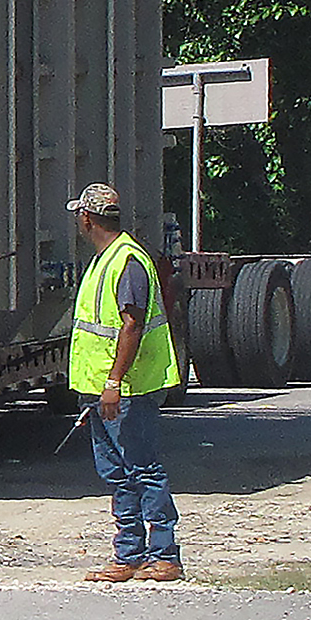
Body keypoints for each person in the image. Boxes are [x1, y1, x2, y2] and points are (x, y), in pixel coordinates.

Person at [66, 181, 184, 582]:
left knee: (143, 468)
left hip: (128, 389)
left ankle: (165, 554)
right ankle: (129, 554)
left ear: (87, 219)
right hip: (100, 388)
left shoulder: (127, 260)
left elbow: (131, 325)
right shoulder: (107, 259)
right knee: (116, 472)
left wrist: (114, 383)